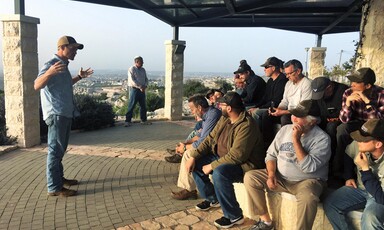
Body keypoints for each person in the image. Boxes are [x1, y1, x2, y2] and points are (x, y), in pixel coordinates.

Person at [244, 100, 331, 230]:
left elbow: (308, 167)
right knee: (251, 177)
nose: (293, 118)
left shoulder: (322, 139)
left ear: (312, 121)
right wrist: (271, 174)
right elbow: (271, 155)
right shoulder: (285, 129)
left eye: (299, 116)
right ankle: (266, 222)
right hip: (281, 177)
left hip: (306, 181)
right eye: (293, 114)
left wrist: (296, 139)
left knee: (309, 198)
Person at [186, 91, 265, 228]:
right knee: (197, 163)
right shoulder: (225, 119)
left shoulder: (246, 125)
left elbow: (237, 155)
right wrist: (193, 155)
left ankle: (234, 216)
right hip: (223, 158)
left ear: (229, 108)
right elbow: (210, 139)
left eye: (221, 104)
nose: (218, 107)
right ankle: (213, 199)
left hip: (244, 164)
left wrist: (212, 165)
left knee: (219, 172)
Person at [34, 36, 94, 197]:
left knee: (59, 150)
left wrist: (79, 77)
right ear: (62, 47)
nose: (75, 52)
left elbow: (64, 85)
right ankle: (54, 187)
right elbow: (37, 84)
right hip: (57, 114)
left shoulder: (64, 66)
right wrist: (49, 72)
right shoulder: (52, 65)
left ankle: (59, 179)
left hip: (64, 114)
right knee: (55, 150)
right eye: (73, 48)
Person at [324, 119, 384, 229]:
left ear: (378, 144)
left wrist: (365, 170)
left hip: (378, 196)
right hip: (360, 189)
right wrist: (349, 176)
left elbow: (381, 198)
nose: (358, 140)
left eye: (363, 139)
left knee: (370, 218)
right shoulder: (359, 145)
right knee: (330, 203)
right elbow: (348, 153)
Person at [334, 67, 384, 179]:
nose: (352, 85)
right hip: (356, 122)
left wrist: (367, 101)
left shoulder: (381, 94)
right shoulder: (348, 92)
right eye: (352, 81)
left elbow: (377, 121)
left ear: (368, 86)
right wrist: (347, 103)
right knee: (342, 129)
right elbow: (344, 119)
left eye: (356, 82)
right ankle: (338, 170)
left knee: (372, 133)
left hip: (375, 125)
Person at [261, 59, 312, 148]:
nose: (287, 76)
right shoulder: (289, 84)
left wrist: (283, 112)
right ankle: (267, 144)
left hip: (300, 114)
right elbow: (285, 101)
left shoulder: (307, 84)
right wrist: (277, 109)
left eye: (289, 73)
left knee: (285, 118)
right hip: (288, 111)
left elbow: (303, 109)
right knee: (267, 115)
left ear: (298, 71)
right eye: (286, 73)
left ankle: (287, 145)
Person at [165, 94, 221, 165]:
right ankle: (179, 153)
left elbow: (204, 140)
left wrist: (185, 148)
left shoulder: (212, 115)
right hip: (208, 145)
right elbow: (200, 135)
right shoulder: (207, 115)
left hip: (215, 150)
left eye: (192, 109)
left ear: (199, 108)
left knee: (188, 155)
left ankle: (179, 155)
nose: (192, 112)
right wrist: (186, 143)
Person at [311, 76, 348, 180]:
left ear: (330, 87)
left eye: (322, 94)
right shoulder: (318, 96)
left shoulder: (343, 92)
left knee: (331, 128)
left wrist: (336, 119)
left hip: (340, 122)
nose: (321, 98)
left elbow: (347, 114)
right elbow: (315, 109)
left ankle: (332, 165)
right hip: (324, 119)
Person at [248, 57, 288, 130]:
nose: (264, 69)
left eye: (266, 67)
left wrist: (258, 108)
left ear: (273, 68)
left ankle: (258, 136)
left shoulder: (282, 80)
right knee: (248, 109)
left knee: (256, 112)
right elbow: (265, 98)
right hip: (268, 106)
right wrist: (256, 106)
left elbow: (276, 101)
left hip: (276, 108)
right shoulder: (270, 81)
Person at [125, 56, 151, 127]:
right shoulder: (131, 69)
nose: (143, 63)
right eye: (141, 62)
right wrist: (140, 87)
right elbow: (132, 80)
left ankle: (143, 120)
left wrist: (145, 86)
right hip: (134, 89)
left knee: (143, 106)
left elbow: (146, 79)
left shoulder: (143, 70)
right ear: (137, 62)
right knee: (132, 105)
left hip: (142, 90)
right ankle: (127, 121)